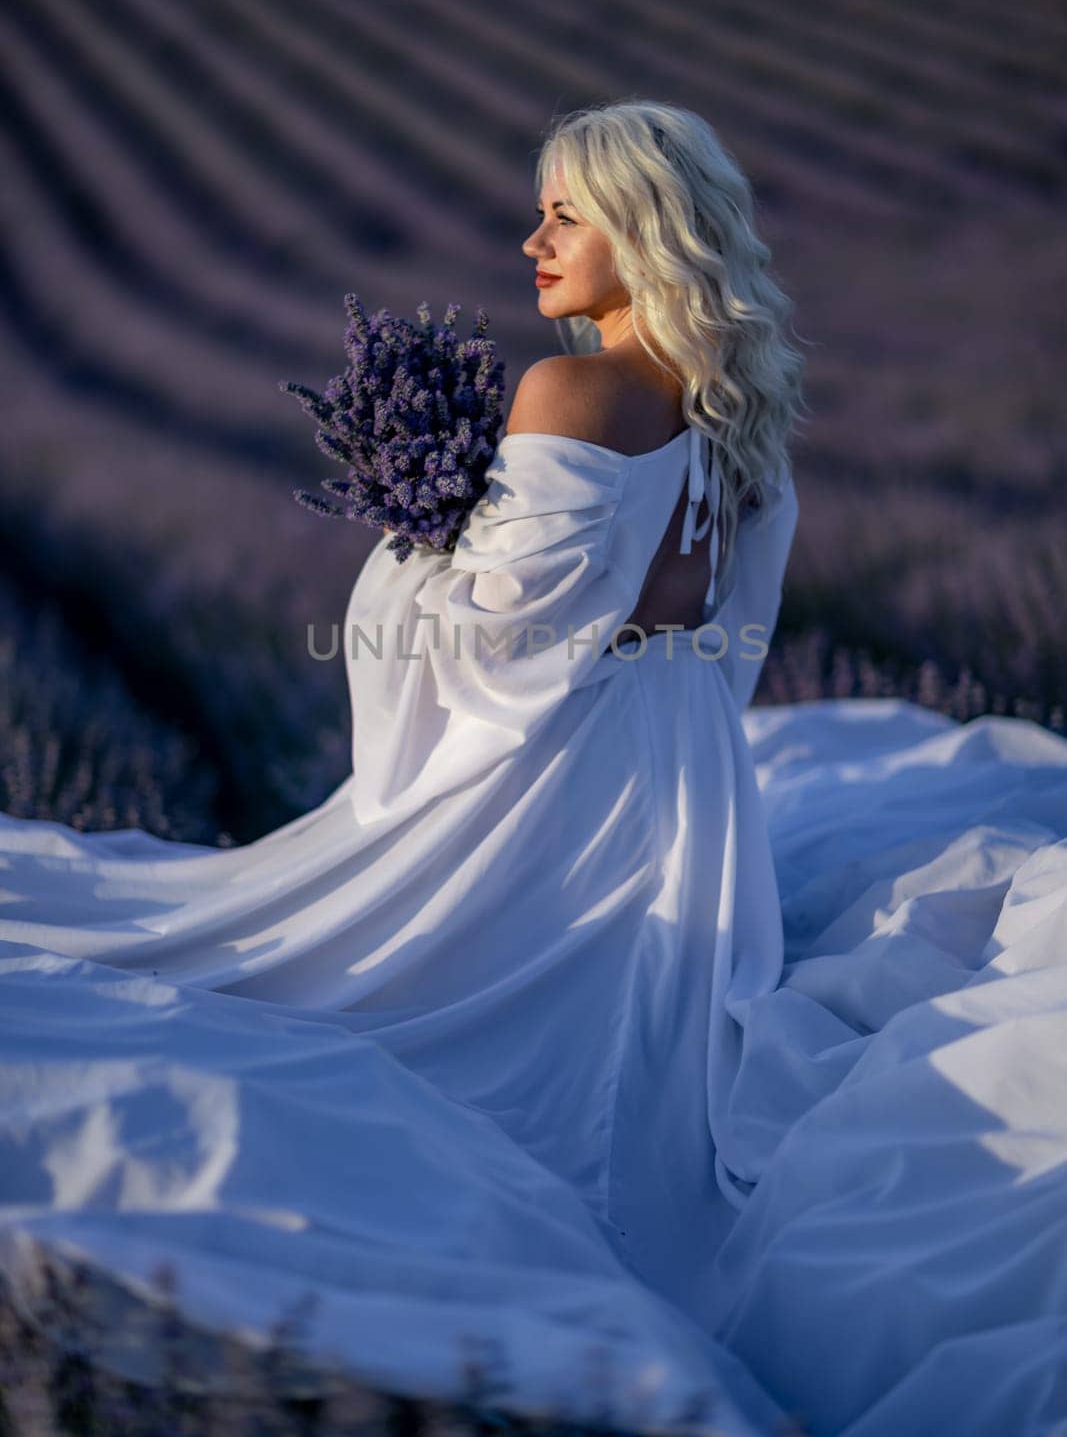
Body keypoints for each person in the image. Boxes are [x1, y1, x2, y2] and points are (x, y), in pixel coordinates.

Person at [1, 100, 1066, 1437]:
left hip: (557, 804)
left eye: (564, 213)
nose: (532, 239)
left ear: (645, 226)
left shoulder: (571, 391)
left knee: (320, 990)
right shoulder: (739, 410)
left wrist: (412, 543)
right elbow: (725, 635)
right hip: (683, 791)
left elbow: (509, 641)